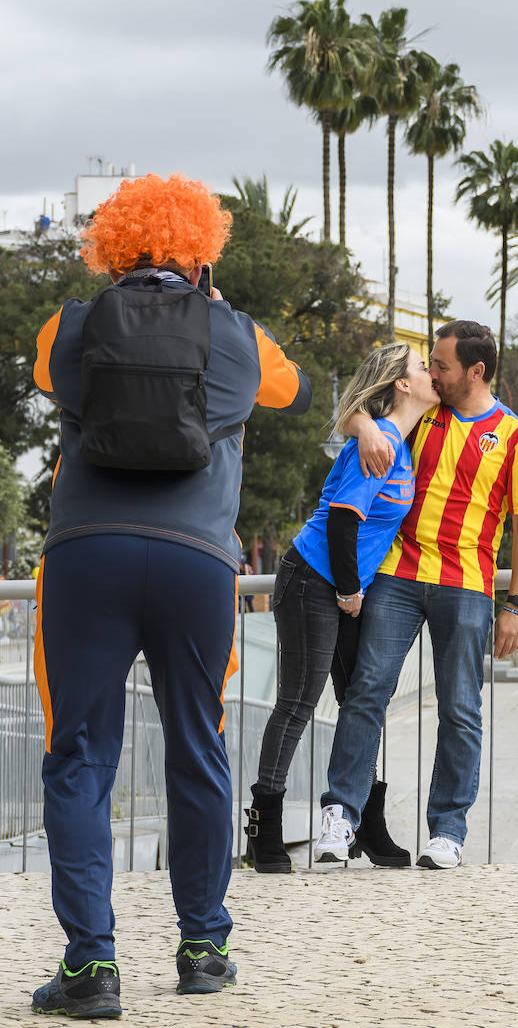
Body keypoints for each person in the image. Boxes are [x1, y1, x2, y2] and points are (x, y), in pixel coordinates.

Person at [31, 174, 311, 1018]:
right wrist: (214, 310)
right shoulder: (236, 335)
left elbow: (50, 380)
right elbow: (289, 390)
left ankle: (90, 967)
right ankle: (202, 947)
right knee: (198, 748)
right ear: (203, 250)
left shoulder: (71, 328)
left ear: (112, 248)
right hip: (197, 564)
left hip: (87, 557)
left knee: (79, 755)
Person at [319, 319, 518, 870]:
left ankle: (448, 830)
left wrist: (517, 603)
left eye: (441, 365)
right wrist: (363, 427)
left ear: (476, 371)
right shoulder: (424, 413)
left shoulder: (516, 437)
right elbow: (352, 407)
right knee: (367, 690)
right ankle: (340, 815)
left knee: (461, 709)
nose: (433, 373)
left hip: (467, 585)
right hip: (397, 575)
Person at [244, 341, 437, 873]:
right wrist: (351, 591)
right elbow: (343, 520)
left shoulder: (397, 437)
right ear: (402, 384)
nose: (432, 374)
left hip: (346, 588)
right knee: (299, 701)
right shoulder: (377, 447)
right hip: (314, 581)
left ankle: (366, 824)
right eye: (424, 368)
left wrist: (360, 420)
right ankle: (265, 828)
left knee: (361, 702)